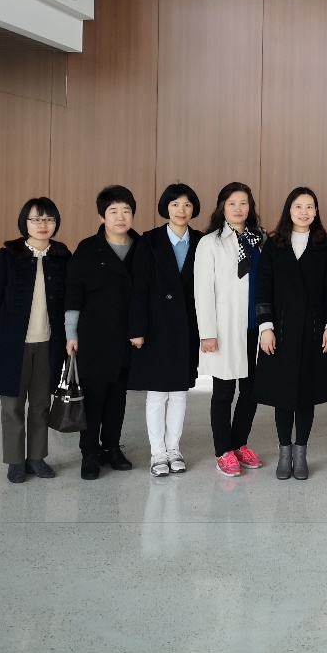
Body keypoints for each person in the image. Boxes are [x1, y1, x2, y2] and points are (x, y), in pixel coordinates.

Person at [256, 187, 327, 481]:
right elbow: (263, 288)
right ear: (289, 210)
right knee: (283, 395)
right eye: (298, 206)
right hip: (279, 332)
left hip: (314, 331)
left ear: (316, 211)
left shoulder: (324, 244)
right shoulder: (274, 244)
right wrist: (265, 328)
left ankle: (301, 453)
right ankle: (284, 452)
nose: (304, 212)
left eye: (309, 207)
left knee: (306, 394)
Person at [0, 197, 69, 483]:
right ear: (25, 222)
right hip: (13, 343)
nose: (43, 225)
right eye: (36, 219)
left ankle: (36, 458)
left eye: (49, 219)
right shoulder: (8, 255)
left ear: (55, 223)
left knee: (41, 403)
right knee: (12, 405)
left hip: (49, 342)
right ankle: (15, 461)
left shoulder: (62, 255)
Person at [127, 183, 203, 477]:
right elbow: (139, 288)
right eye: (175, 204)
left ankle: (174, 449)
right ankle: (157, 452)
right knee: (158, 393)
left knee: (180, 392)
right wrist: (137, 328)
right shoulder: (149, 241)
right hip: (156, 326)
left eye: (187, 205)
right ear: (165, 208)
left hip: (188, 326)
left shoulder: (201, 241)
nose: (181, 210)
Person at [65, 185, 139, 481]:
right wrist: (71, 333)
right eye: (113, 211)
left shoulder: (142, 247)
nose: (120, 217)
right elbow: (73, 293)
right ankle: (89, 453)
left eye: (126, 211)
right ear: (101, 216)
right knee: (93, 399)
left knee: (118, 398)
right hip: (93, 336)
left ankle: (112, 448)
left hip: (127, 336)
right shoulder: (87, 249)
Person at [194, 182, 267, 478]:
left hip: (257, 327)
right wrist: (207, 332)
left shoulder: (260, 239)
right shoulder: (210, 242)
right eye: (232, 203)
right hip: (224, 328)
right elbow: (203, 291)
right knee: (224, 392)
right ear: (222, 207)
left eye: (244, 203)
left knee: (251, 391)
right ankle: (223, 451)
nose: (238, 208)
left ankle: (239, 443)